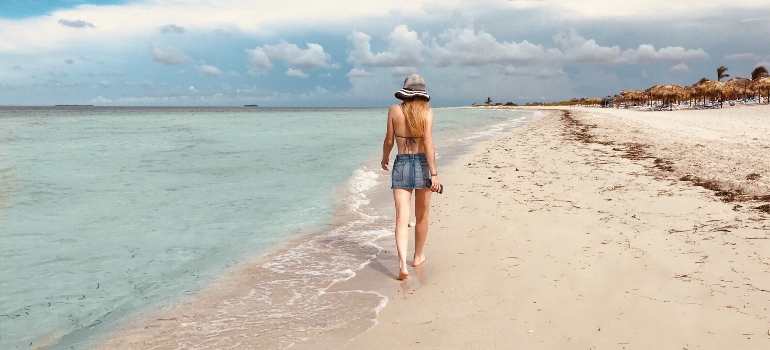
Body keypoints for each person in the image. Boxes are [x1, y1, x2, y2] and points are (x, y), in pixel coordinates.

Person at [380, 74, 441, 280]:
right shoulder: (428, 113)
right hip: (423, 163)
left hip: (402, 163)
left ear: (404, 92)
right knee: (422, 216)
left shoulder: (394, 110)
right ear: (422, 94)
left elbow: (389, 140)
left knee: (401, 217)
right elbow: (429, 144)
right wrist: (434, 174)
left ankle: (401, 265)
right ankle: (416, 257)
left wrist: (384, 157)